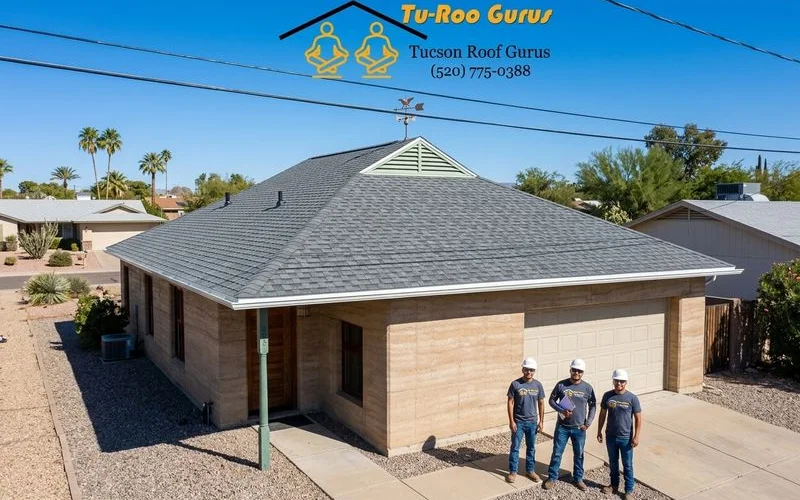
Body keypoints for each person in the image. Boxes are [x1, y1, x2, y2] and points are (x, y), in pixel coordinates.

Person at [543, 358, 597, 491]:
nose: (576, 372)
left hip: (579, 428)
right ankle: (552, 477)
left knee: (579, 454)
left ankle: (578, 479)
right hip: (562, 427)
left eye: (579, 371)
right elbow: (551, 400)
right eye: (574, 370)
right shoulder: (561, 385)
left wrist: (588, 423)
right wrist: (561, 410)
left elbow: (593, 406)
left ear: (583, 372)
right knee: (557, 453)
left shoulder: (588, 388)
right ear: (570, 370)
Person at [596, 369, 642, 500]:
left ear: (626, 382)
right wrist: (599, 430)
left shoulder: (632, 398)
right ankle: (614, 485)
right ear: (613, 381)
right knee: (613, 462)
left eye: (622, 381)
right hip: (611, 436)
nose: (619, 384)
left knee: (627, 465)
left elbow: (638, 418)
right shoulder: (607, 396)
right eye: (616, 381)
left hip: (626, 438)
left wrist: (636, 436)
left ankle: (628, 490)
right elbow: (603, 414)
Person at [506, 357, 545, 484]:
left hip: (533, 422)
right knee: (515, 448)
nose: (529, 372)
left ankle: (530, 470)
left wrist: (541, 421)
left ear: (535, 371)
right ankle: (513, 471)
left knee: (531, 448)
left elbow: (541, 403)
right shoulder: (515, 384)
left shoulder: (538, 385)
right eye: (527, 369)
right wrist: (511, 421)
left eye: (532, 370)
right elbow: (510, 402)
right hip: (519, 422)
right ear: (523, 369)